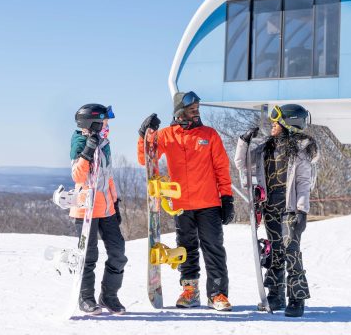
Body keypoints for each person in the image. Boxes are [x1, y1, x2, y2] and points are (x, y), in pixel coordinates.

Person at [138, 91, 234, 311]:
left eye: (197, 109)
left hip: (209, 203)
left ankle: (217, 294)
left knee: (213, 249)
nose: (196, 112)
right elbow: (146, 159)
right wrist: (143, 135)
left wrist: (226, 197)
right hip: (180, 205)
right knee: (186, 248)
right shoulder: (166, 135)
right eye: (192, 109)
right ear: (180, 111)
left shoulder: (209, 135)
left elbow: (222, 168)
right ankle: (190, 291)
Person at [234, 104, 318, 318]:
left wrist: (301, 210)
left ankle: (296, 298)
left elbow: (302, 182)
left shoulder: (301, 149)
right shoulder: (265, 148)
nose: (272, 124)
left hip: (290, 208)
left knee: (291, 252)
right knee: (275, 253)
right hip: (270, 206)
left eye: (276, 121)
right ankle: (276, 294)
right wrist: (244, 142)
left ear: (289, 124)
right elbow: (242, 163)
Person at [70, 103, 127, 315]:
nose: (107, 126)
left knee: (118, 253)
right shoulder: (80, 141)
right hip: (86, 209)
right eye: (104, 122)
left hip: (106, 208)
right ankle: (86, 298)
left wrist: (116, 202)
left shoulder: (105, 144)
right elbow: (77, 176)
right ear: (91, 123)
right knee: (89, 255)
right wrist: (87, 151)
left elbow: (108, 177)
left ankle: (109, 295)